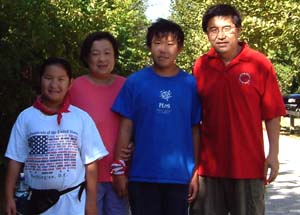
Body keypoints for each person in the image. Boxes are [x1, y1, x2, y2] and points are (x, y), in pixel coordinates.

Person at [190, 4, 287, 215]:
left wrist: (273, 154)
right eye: (213, 29)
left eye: (227, 28)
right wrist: (193, 166)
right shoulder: (200, 66)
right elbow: (193, 121)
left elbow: (272, 113)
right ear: (207, 34)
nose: (221, 35)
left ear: (238, 30)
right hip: (209, 169)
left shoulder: (259, 64)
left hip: (249, 166)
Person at [111, 18, 202, 215]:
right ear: (149, 47)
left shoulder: (191, 85)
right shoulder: (135, 82)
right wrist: (118, 171)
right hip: (142, 176)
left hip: (179, 177)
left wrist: (194, 172)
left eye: (170, 44)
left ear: (180, 48)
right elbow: (125, 127)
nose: (163, 49)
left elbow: (195, 130)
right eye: (158, 43)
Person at [4, 57, 108, 215]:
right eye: (48, 78)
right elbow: (15, 159)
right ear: (40, 80)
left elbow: (91, 163)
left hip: (73, 202)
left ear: (70, 83)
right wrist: (8, 197)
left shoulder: (81, 118)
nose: (54, 85)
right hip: (36, 203)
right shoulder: (26, 117)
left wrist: (91, 202)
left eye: (61, 79)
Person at [69, 31, 130, 215]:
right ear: (86, 57)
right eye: (95, 54)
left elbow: (139, 124)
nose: (102, 59)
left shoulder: (127, 86)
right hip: (83, 176)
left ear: (115, 56)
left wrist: (135, 143)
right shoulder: (74, 87)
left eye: (107, 53)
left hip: (119, 174)